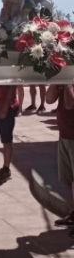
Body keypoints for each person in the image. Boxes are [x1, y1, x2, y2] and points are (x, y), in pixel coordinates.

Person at [46, 85, 74, 232]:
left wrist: (67, 82)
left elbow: (70, 104)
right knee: (71, 179)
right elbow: (49, 100)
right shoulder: (65, 78)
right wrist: (55, 81)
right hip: (65, 135)